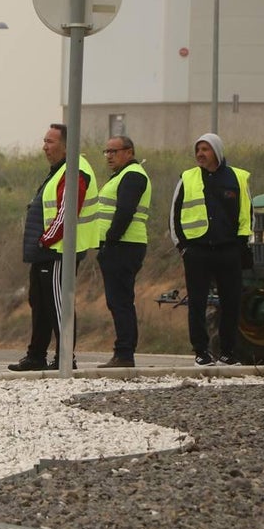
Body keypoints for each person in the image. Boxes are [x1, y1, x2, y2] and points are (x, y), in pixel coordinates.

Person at [8, 123, 101, 372]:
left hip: (59, 251)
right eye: (45, 141)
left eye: (50, 142)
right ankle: (36, 355)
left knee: (59, 304)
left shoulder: (75, 171)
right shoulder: (59, 170)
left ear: (66, 145)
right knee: (39, 302)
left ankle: (64, 358)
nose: (45, 147)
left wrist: (45, 239)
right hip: (46, 251)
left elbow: (67, 212)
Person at [169, 133, 252, 366]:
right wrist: (182, 247)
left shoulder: (238, 178)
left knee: (231, 303)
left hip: (229, 251)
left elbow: (247, 214)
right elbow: (174, 215)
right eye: (198, 150)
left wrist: (241, 246)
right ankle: (201, 352)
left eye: (205, 149)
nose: (200, 154)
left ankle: (227, 353)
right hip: (197, 251)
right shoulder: (187, 178)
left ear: (217, 151)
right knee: (197, 303)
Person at [94, 135, 150, 368]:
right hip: (121, 245)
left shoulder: (133, 175)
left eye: (113, 151)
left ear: (129, 152)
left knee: (121, 301)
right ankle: (123, 352)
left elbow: (125, 211)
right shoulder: (122, 176)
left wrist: (110, 240)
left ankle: (125, 353)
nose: (109, 156)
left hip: (124, 245)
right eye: (106, 152)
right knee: (118, 300)